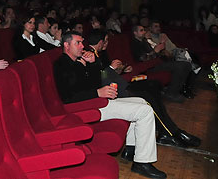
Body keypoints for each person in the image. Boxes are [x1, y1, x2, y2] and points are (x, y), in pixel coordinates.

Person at [53, 31, 166, 179]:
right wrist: (97, 93)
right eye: (77, 43)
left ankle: (130, 150)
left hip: (94, 101)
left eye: (82, 42)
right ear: (66, 45)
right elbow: (69, 97)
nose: (82, 46)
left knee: (141, 101)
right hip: (87, 107)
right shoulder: (62, 65)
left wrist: (93, 64)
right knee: (144, 111)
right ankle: (142, 162)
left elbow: (94, 82)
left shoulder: (77, 61)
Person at [88, 29, 200, 148]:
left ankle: (170, 131)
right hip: (114, 91)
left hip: (120, 84)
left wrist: (122, 69)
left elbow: (107, 74)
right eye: (106, 41)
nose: (107, 43)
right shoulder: (90, 55)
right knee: (147, 96)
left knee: (152, 89)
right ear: (101, 42)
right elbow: (99, 78)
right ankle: (170, 132)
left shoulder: (100, 53)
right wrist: (111, 68)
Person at [130, 25, 192, 103]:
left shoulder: (144, 41)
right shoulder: (135, 44)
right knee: (180, 66)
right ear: (135, 33)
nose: (144, 32)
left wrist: (161, 51)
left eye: (144, 30)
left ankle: (174, 90)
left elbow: (155, 53)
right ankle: (171, 93)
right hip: (147, 67)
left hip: (156, 63)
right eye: (141, 30)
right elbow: (143, 59)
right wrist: (156, 51)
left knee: (186, 64)